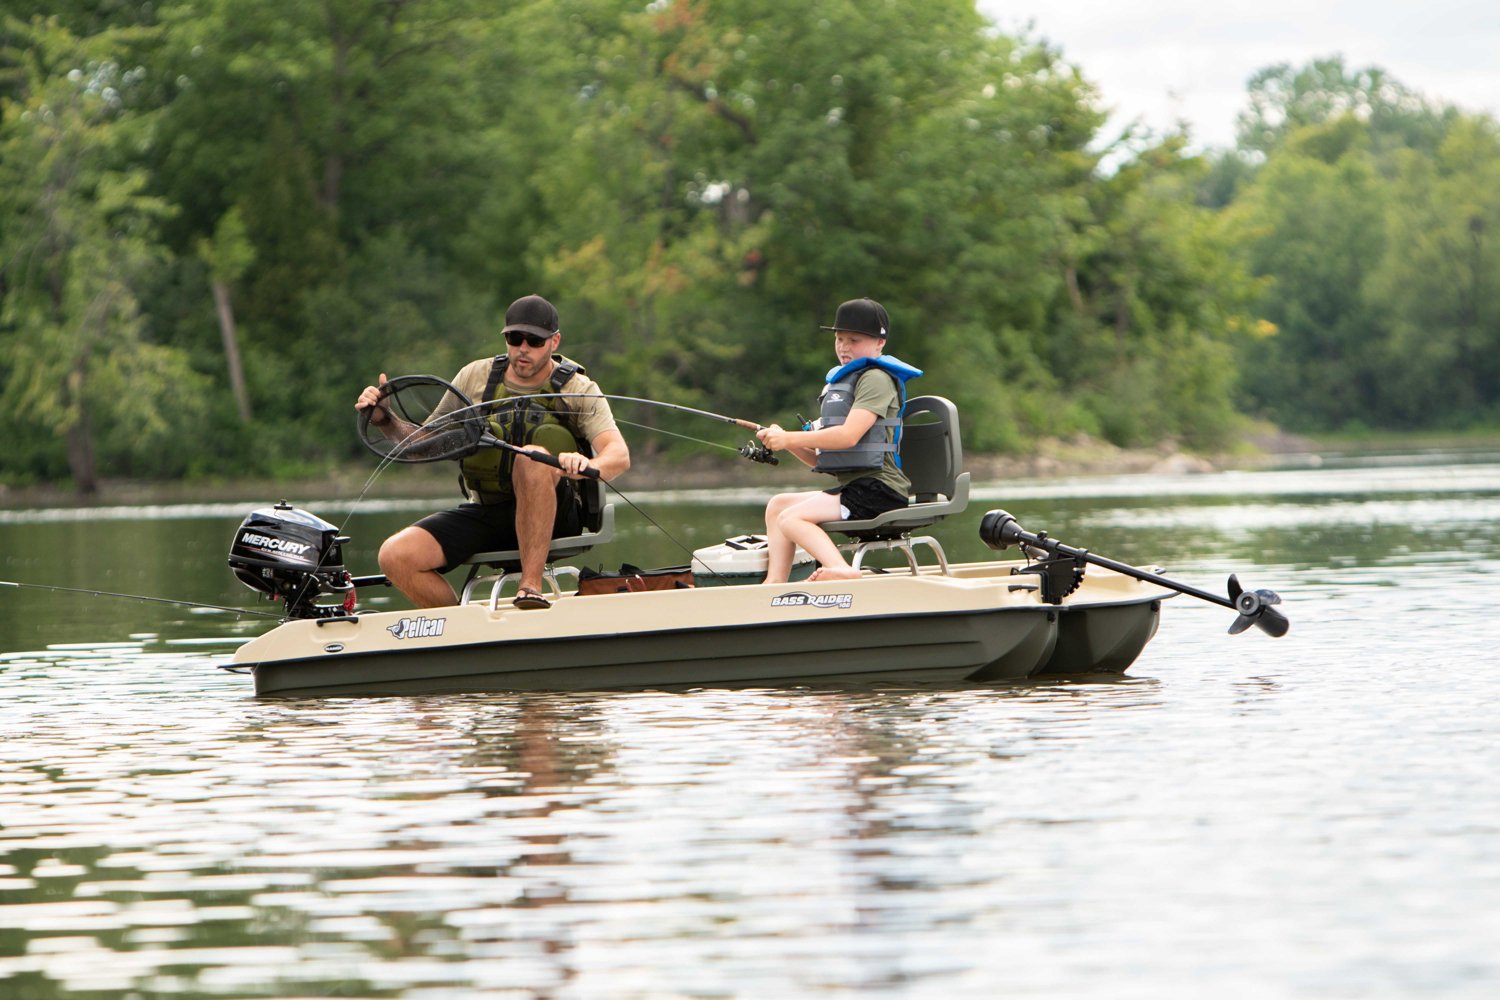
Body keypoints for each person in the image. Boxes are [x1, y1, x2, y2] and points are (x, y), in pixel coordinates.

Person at [355, 294, 630, 609]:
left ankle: (530, 589)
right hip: (489, 513)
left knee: (531, 457)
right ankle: (462, 634)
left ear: (554, 342)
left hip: (555, 517)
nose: (523, 348)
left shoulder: (578, 388)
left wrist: (585, 463)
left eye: (534, 341)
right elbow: (419, 445)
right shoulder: (475, 377)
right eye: (515, 338)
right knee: (395, 556)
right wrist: (385, 420)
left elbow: (618, 455)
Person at [755, 298, 922, 583]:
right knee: (778, 506)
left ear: (879, 343)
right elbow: (822, 460)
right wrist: (788, 441)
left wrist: (788, 437)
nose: (844, 347)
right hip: (856, 488)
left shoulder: (876, 380)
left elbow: (847, 436)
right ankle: (775, 585)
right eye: (839, 339)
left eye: (854, 340)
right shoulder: (840, 383)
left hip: (880, 492)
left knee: (791, 518)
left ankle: (844, 571)